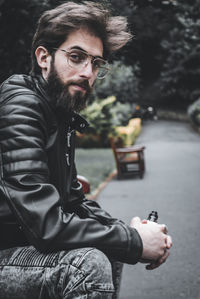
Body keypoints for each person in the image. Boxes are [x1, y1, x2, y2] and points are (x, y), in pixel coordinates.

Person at [0, 1, 172, 298]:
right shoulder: (21, 106)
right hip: (7, 250)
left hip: (24, 247)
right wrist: (133, 241)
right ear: (44, 57)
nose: (87, 72)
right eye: (77, 57)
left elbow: (75, 201)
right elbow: (47, 225)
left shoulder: (57, 111)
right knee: (86, 265)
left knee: (109, 249)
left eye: (95, 63)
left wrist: (131, 232)